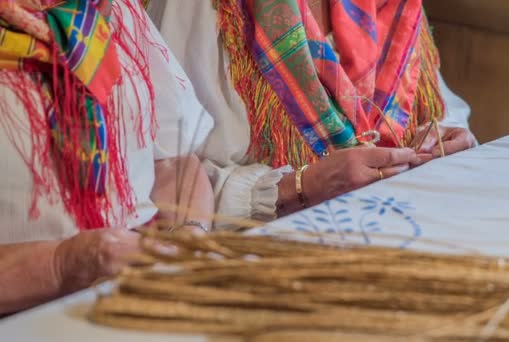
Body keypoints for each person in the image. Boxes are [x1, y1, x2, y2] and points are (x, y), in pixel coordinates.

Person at [150, 0, 476, 228]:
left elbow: (440, 110)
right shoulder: (207, 10)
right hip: (255, 249)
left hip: (390, 225)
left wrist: (444, 136)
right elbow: (161, 183)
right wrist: (300, 187)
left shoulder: (390, 7)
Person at [0, 0, 214, 314]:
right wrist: (60, 266)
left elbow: (174, 162)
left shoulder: (113, 8)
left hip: (138, 296)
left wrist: (189, 237)